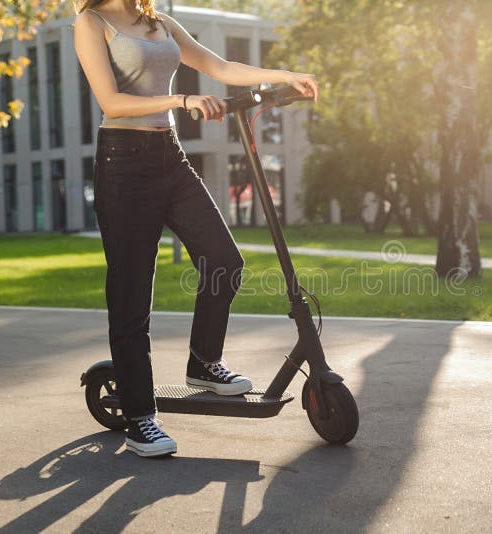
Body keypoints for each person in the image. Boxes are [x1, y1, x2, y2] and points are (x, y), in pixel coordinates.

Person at [73, 0, 318, 458]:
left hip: (170, 158)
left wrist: (285, 77)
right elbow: (111, 101)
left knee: (224, 260)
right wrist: (181, 99)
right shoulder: (92, 22)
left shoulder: (158, 21)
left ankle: (204, 363)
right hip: (123, 162)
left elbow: (219, 66)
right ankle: (140, 417)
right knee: (131, 295)